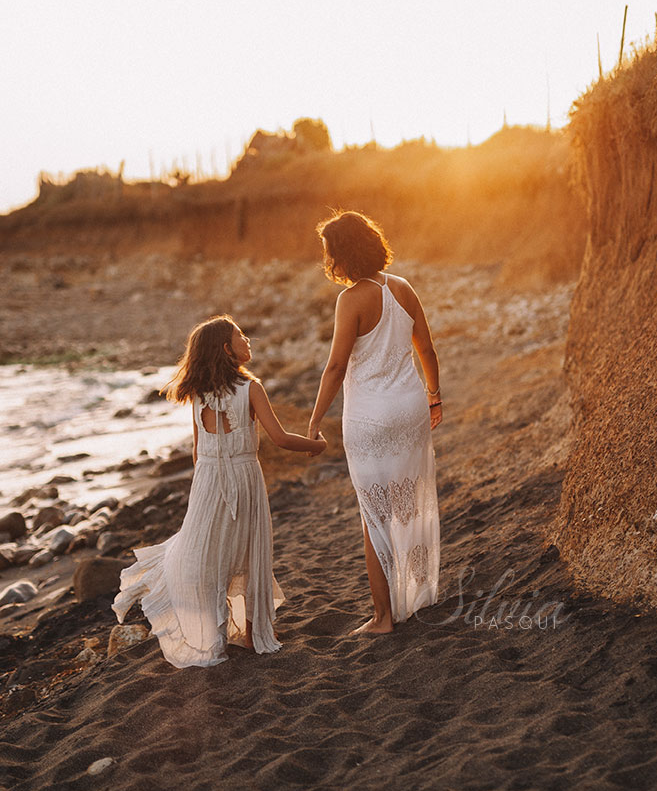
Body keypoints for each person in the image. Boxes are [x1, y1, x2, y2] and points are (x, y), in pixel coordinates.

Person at [114, 315, 325, 668]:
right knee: (245, 551)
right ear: (227, 350)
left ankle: (213, 639)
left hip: (208, 481)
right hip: (244, 477)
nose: (248, 339)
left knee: (209, 555)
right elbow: (281, 438)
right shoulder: (251, 390)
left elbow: (198, 453)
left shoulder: (198, 395)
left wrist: (208, 485)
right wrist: (317, 446)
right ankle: (250, 633)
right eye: (240, 335)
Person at [307, 211, 442, 634]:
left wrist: (312, 423)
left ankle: (383, 617)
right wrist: (434, 396)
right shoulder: (402, 288)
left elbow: (334, 368)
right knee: (410, 506)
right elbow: (428, 350)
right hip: (411, 409)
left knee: (373, 515)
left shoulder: (351, 299)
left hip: (370, 418)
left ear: (341, 254)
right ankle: (415, 597)